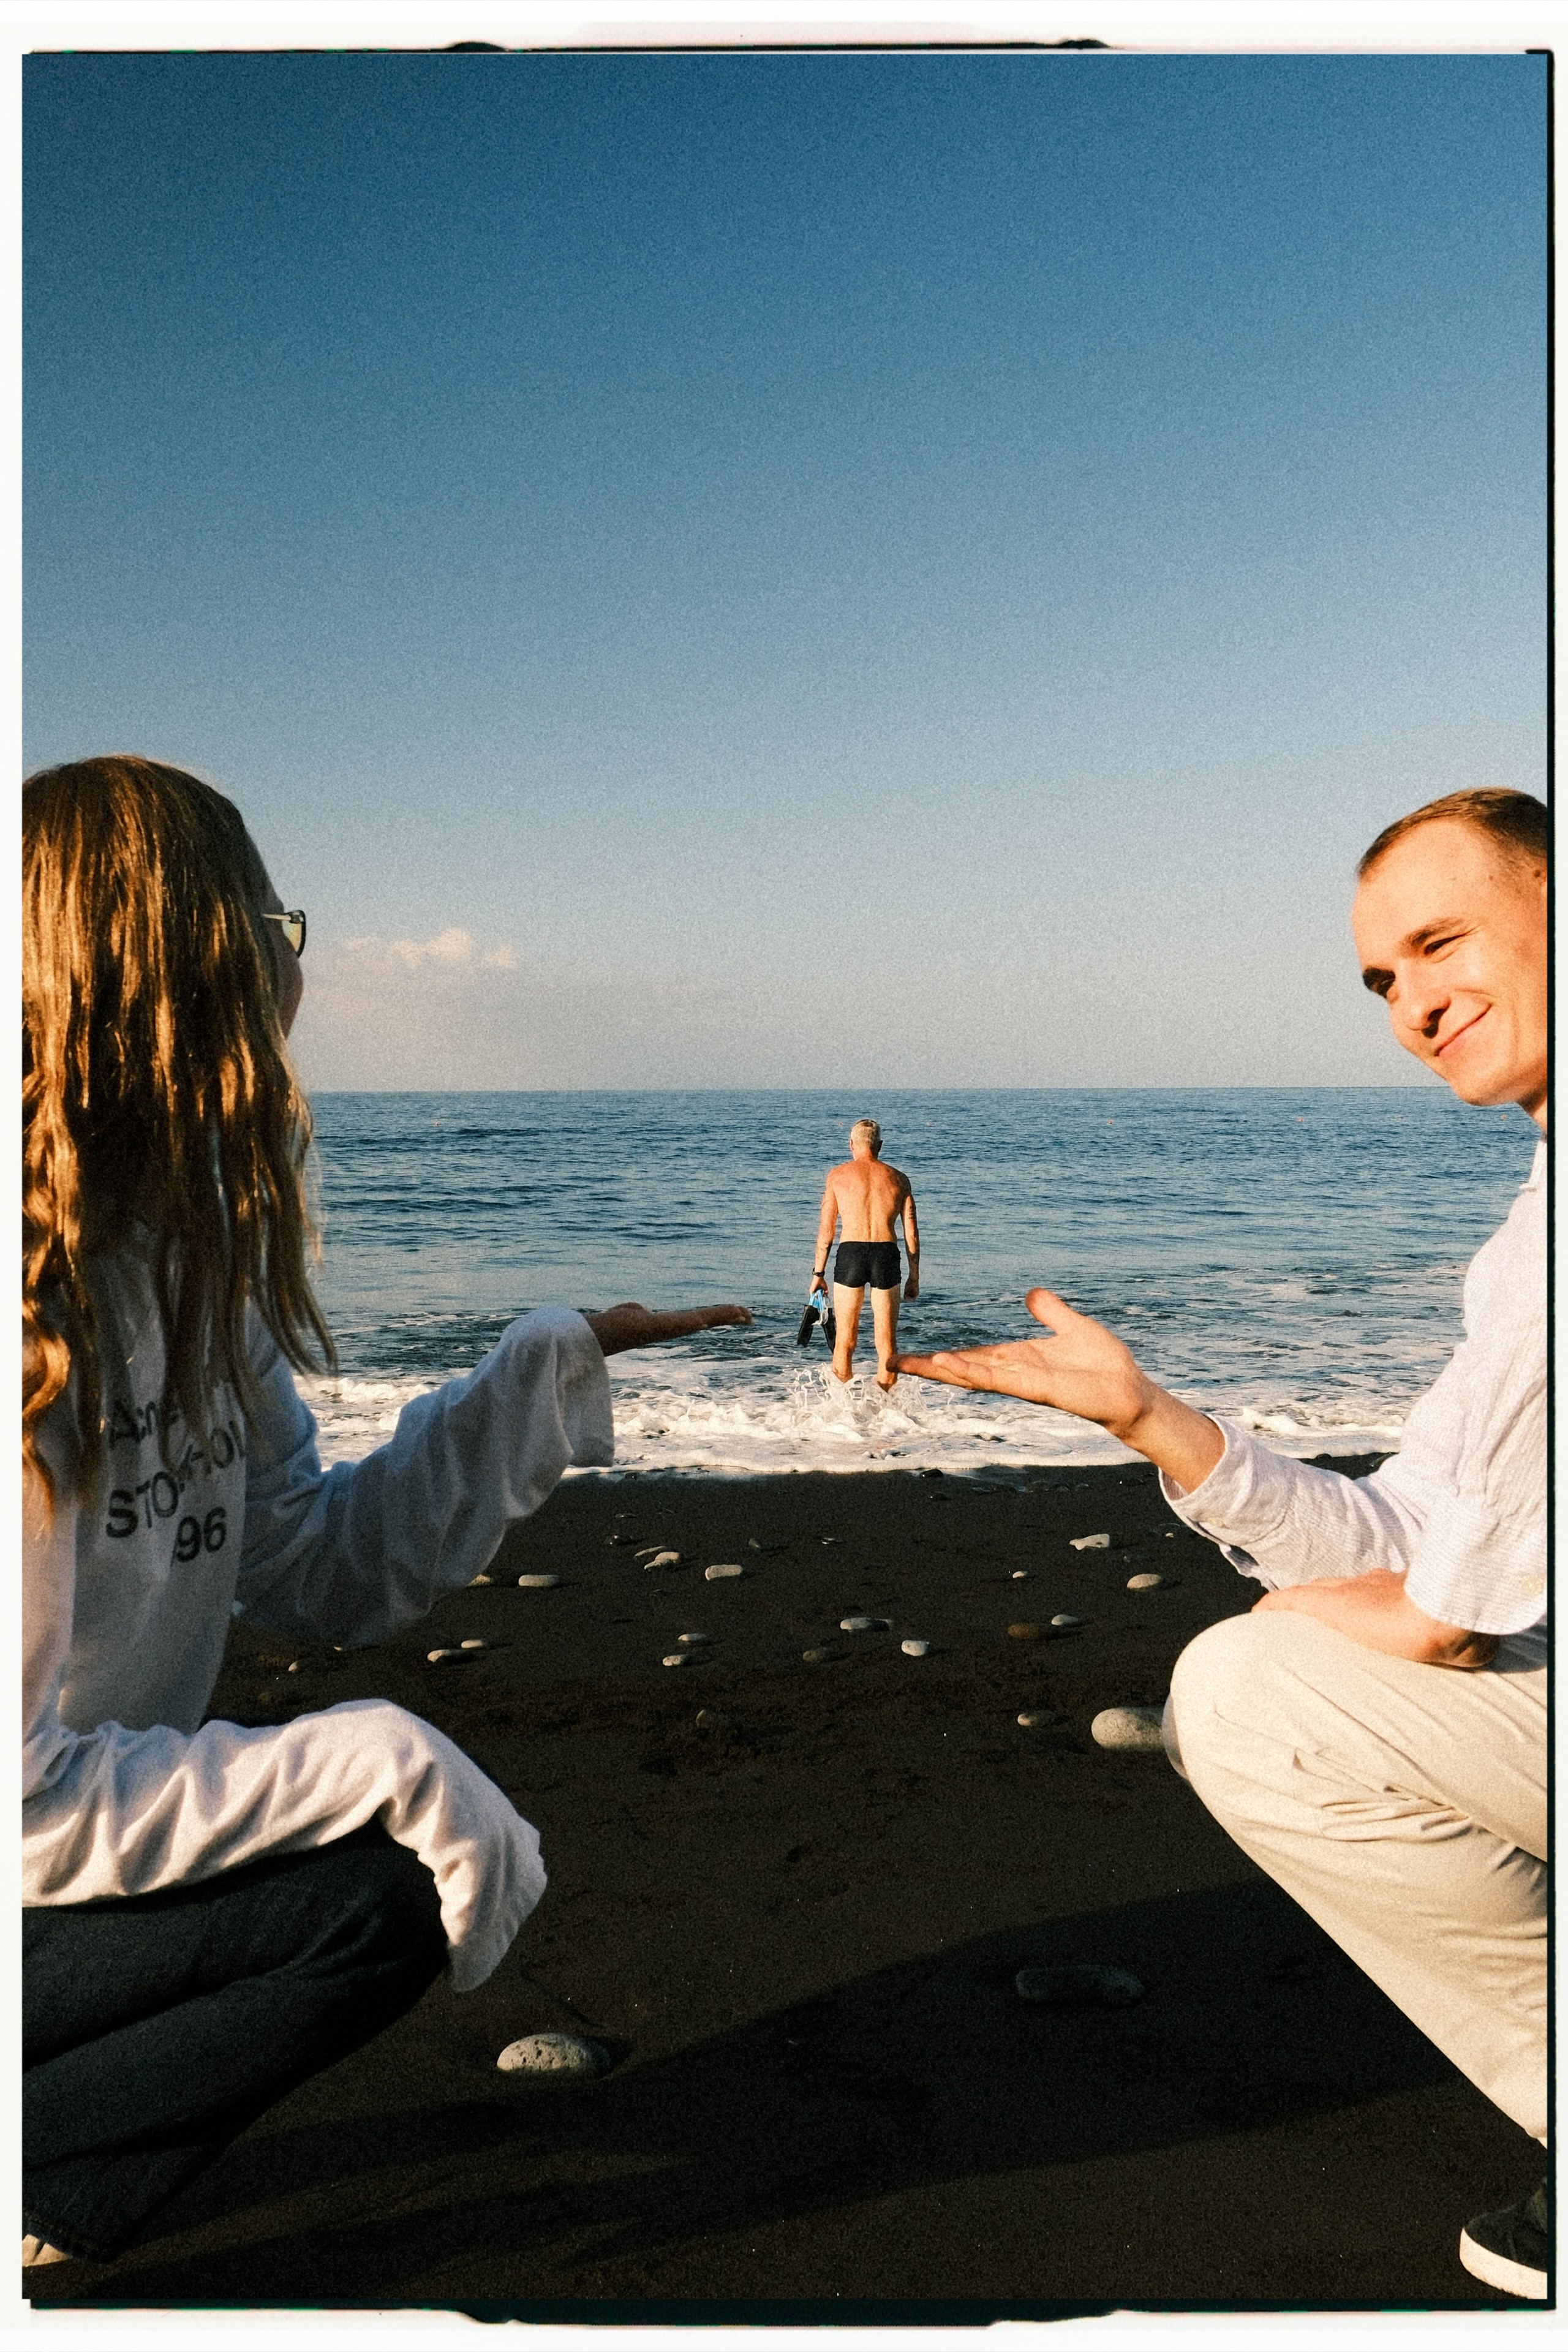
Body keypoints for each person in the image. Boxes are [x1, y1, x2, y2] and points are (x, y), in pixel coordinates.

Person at [21, 755, 753, 2273]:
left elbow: (317, 1564)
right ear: (184, 958)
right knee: (370, 1874)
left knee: (375, 1899)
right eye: (274, 918)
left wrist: (534, 1370)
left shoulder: (183, 1248)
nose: (300, 957)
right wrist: (372, 1750)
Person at [895, 789, 1549, 2301]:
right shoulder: (1530, 1224)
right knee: (1276, 1658)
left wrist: (1348, 1627)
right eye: (1379, 978)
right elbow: (1413, 1524)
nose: (1408, 1001)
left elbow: (1452, 1608)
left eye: (1439, 940)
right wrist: (1154, 1422)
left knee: (1251, 1698)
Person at [809, 1118, 920, 1389]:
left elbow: (827, 1231)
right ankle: (882, 1412)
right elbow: (912, 1233)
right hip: (886, 1254)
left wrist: (818, 1274)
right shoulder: (899, 1179)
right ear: (880, 1146)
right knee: (887, 1344)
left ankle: (847, 1410)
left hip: (851, 1254)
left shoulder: (837, 1176)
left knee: (845, 1340)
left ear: (851, 1145)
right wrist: (914, 1275)